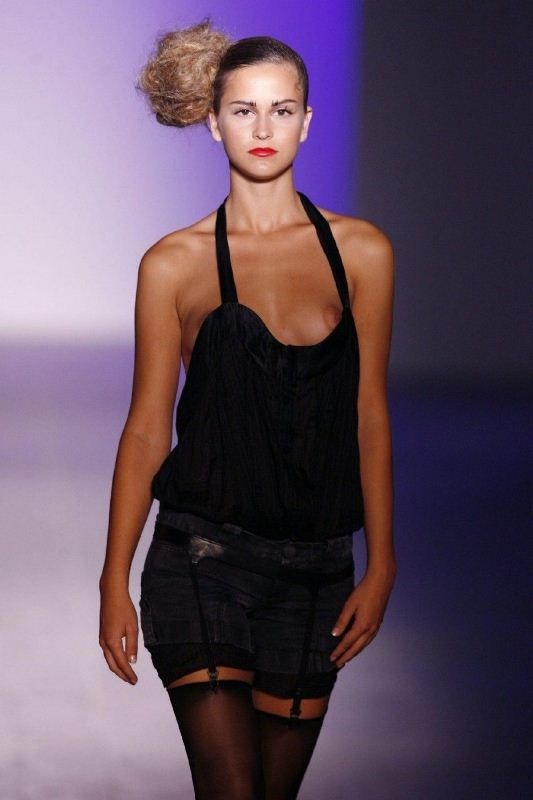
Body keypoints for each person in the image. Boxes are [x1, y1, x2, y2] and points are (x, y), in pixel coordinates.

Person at [98, 17, 397, 800]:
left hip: (316, 572)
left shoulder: (362, 253)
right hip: (201, 559)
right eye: (243, 110)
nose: (262, 130)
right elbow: (145, 429)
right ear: (212, 122)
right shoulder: (174, 264)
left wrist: (383, 562)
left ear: (307, 121)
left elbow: (368, 414)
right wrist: (111, 579)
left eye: (280, 110)